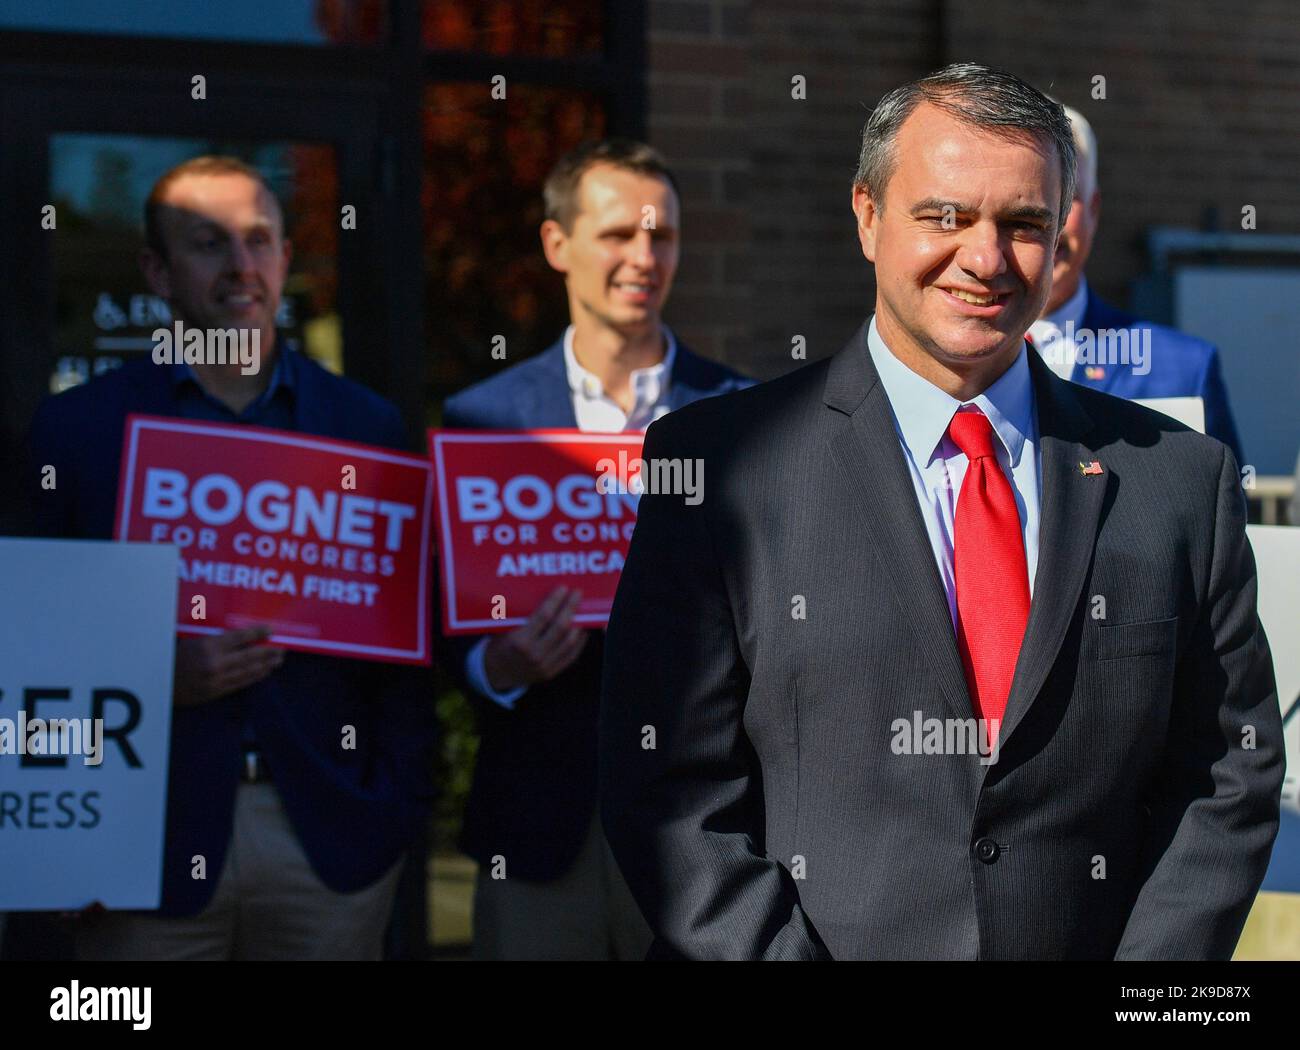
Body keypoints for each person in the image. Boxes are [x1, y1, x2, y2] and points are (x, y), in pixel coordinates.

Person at [599, 64, 1283, 960]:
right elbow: (667, 785)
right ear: (868, 217)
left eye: (1025, 224)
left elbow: (1226, 775)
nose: (987, 258)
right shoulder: (721, 469)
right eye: (946, 216)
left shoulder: (1176, 483)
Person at [25, 156, 436, 960]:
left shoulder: (368, 429)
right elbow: (35, 653)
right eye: (208, 244)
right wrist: (63, 846)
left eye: (259, 241)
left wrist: (394, 814)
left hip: (328, 844)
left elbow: (407, 669)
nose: (241, 268)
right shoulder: (75, 432)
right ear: (158, 270)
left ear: (287, 257)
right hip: (136, 846)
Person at [440, 138, 751, 960]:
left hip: (706, 833)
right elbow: (436, 631)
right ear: (557, 245)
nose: (644, 258)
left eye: (663, 236)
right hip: (538, 827)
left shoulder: (748, 416)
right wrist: (494, 670)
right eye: (618, 235)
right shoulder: (481, 422)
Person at [1028, 105, 1244, 462]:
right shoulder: (945, 363)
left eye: (1069, 196)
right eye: (1029, 200)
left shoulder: (1182, 369)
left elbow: (1226, 513)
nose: (1049, 221)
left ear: (1095, 212)